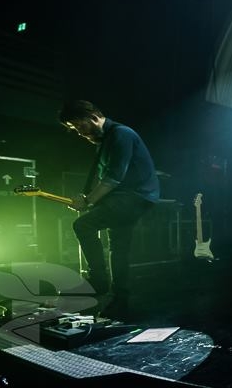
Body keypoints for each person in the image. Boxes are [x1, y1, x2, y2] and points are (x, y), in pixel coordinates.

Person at [59, 100, 159, 319]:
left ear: (93, 117)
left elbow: (114, 177)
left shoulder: (121, 134)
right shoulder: (105, 141)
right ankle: (120, 300)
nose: (79, 132)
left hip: (135, 197)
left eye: (80, 126)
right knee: (119, 248)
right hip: (125, 198)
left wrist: (89, 201)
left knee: (83, 225)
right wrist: (89, 198)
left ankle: (98, 280)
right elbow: (105, 178)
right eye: (75, 129)